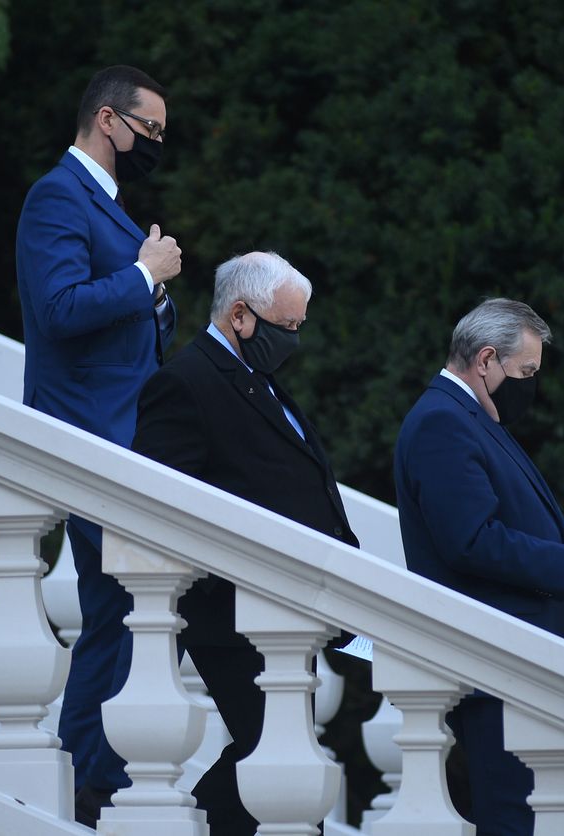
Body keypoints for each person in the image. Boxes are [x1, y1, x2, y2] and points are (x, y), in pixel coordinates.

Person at [132, 251, 358, 835]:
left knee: (282, 748)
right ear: (239, 315)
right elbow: (165, 506)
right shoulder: (185, 381)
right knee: (272, 749)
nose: (295, 340)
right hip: (231, 612)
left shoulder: (259, 380)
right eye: (287, 327)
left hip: (282, 607)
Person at [14, 64, 181, 822]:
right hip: (86, 438)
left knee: (120, 612)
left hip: (121, 439)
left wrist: (156, 296)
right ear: (107, 121)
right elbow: (57, 309)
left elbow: (120, 326)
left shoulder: (109, 206)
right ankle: (86, 776)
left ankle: (91, 775)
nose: (154, 145)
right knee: (119, 606)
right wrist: (144, 276)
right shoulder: (58, 195)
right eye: (149, 130)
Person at [393, 298, 564, 835]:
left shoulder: (468, 416)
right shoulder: (442, 422)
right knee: (512, 820)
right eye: (526, 372)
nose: (531, 385)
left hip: (515, 664)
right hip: (496, 663)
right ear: (486, 360)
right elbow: (470, 542)